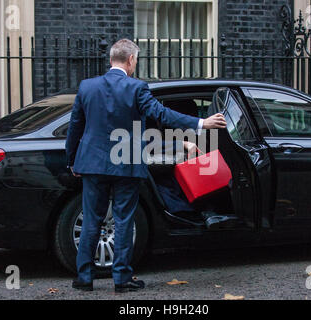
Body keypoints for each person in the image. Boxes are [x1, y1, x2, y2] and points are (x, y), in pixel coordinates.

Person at [65, 39, 227, 293]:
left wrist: (72, 160)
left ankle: (84, 278)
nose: (135, 65)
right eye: (136, 61)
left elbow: (75, 127)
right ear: (130, 60)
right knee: (123, 220)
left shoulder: (87, 87)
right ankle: (121, 279)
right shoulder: (136, 88)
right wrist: (201, 123)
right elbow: (161, 114)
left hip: (92, 163)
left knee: (91, 221)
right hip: (126, 162)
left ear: (112, 59)